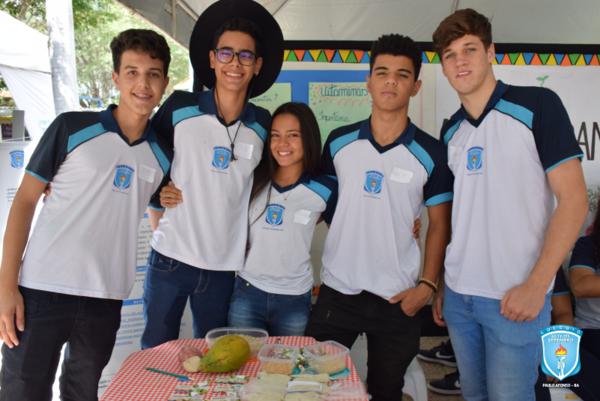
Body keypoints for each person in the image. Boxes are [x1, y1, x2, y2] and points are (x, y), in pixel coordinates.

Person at [0, 29, 171, 401]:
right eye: (132, 72)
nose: (143, 84)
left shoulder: (163, 154)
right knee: (22, 392)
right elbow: (25, 201)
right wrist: (6, 287)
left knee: (82, 393)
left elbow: (162, 209)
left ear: (165, 83)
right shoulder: (72, 128)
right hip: (41, 289)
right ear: (115, 77)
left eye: (153, 74)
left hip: (104, 297)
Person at [431, 8, 588, 401]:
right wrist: (442, 283)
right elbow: (455, 215)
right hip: (459, 297)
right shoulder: (451, 130)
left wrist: (537, 286)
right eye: (450, 55)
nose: (460, 61)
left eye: (470, 49)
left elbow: (574, 201)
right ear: (443, 67)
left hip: (514, 298)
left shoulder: (537, 106)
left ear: (490, 52)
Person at [304, 34, 453, 401]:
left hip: (398, 298)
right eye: (382, 72)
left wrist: (427, 285)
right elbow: (324, 204)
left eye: (402, 75)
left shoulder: (432, 152)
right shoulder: (339, 142)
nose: (391, 82)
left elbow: (440, 224)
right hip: (338, 291)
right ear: (368, 81)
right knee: (318, 388)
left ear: (416, 86)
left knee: (386, 391)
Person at [140, 0, 283, 349]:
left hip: (223, 268)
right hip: (170, 259)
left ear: (257, 65)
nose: (235, 63)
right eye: (226, 53)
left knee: (213, 360)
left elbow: (281, 178)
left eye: (245, 56)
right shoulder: (179, 107)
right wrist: (157, 193)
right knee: (155, 353)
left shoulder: (263, 124)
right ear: (211, 59)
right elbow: (142, 153)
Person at [161, 102, 337, 336]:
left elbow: (341, 233)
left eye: (293, 135)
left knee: (288, 360)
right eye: (275, 135)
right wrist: (167, 191)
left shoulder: (325, 188)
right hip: (247, 292)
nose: (282, 144)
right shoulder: (252, 179)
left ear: (309, 138)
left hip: (294, 299)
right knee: (244, 359)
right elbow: (211, 195)